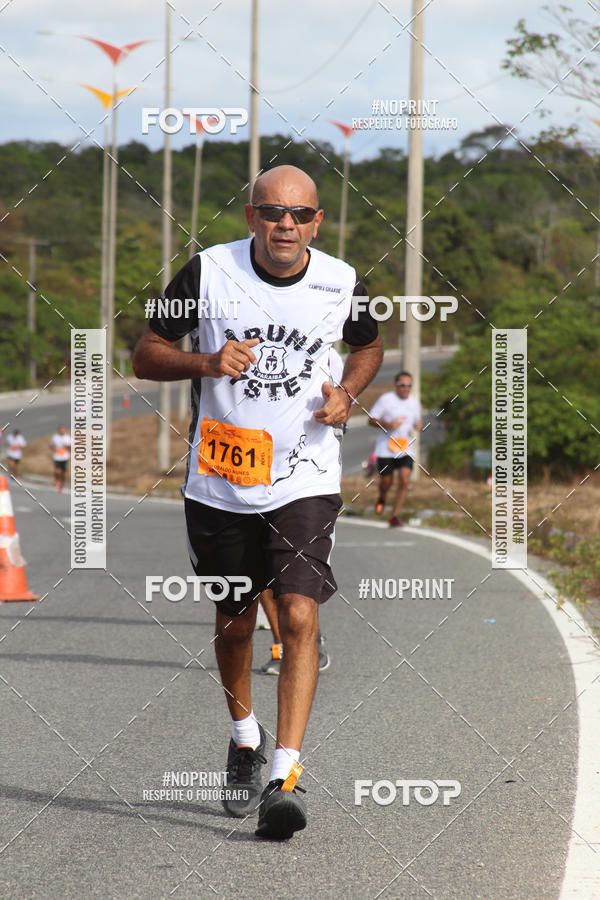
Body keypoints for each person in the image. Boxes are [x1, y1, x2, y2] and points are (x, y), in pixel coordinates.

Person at [133, 164, 382, 840]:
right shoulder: (208, 273)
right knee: (236, 620)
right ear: (252, 217)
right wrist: (207, 362)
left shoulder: (342, 281)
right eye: (272, 212)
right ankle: (245, 737)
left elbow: (368, 347)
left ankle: (285, 776)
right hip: (221, 478)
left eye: (299, 215)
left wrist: (347, 393)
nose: (285, 225)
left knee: (298, 614)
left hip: (305, 475)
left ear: (317, 223)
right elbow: (147, 354)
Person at [368, 371, 422, 527]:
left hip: (405, 448)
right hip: (386, 448)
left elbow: (417, 422)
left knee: (404, 480)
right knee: (387, 482)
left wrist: (419, 425)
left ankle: (394, 516)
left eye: (409, 385)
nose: (406, 388)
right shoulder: (386, 400)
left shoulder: (414, 402)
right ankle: (382, 497)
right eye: (402, 385)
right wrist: (388, 425)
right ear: (396, 385)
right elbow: (371, 420)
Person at [50, 425, 71, 492]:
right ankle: (57, 480)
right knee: (58, 471)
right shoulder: (55, 437)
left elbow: (71, 447)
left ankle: (61, 484)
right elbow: (51, 445)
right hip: (57, 456)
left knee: (63, 473)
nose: (62, 431)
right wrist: (54, 449)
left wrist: (67, 446)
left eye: (63, 429)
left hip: (65, 457)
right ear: (59, 430)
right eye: (61, 430)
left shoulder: (68, 438)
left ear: (65, 430)